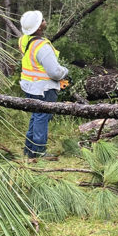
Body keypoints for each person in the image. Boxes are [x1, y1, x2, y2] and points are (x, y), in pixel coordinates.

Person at [18, 10, 69, 159]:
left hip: (29, 86)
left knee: (36, 116)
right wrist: (65, 71)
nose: (44, 21)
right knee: (42, 117)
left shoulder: (24, 40)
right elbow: (55, 72)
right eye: (42, 20)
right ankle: (39, 152)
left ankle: (29, 149)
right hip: (43, 88)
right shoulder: (42, 47)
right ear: (39, 28)